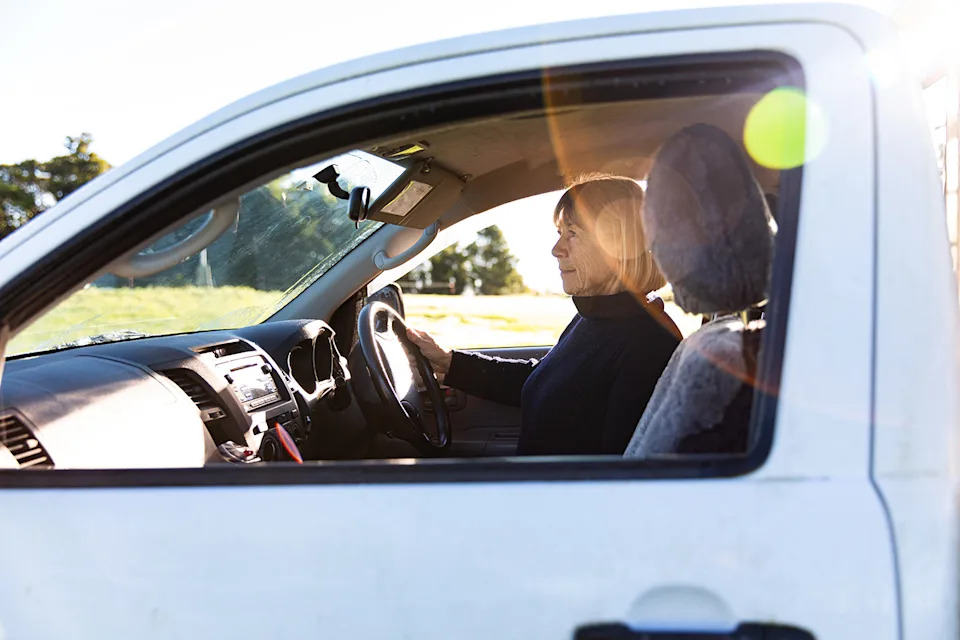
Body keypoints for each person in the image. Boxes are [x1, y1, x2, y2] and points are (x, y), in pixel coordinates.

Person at [406, 175, 681, 455]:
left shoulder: (649, 346)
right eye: (559, 234)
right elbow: (546, 380)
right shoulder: (594, 317)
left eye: (572, 233)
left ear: (619, 245)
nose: (556, 250)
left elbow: (618, 475)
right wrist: (450, 362)